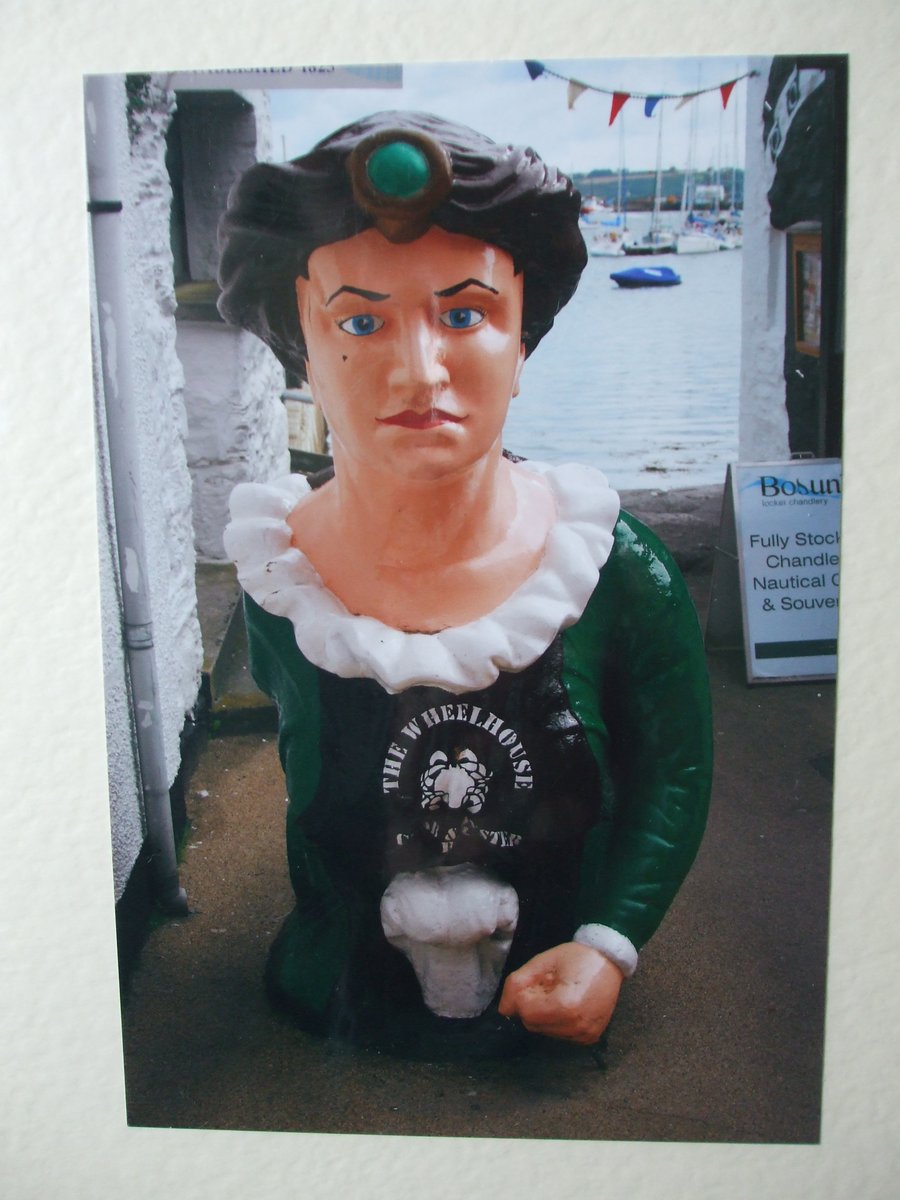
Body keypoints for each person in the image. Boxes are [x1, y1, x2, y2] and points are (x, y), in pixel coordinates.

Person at [219, 111, 712, 1059]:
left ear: (522, 338)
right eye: (360, 322)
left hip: (550, 971)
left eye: (464, 314)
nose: (418, 371)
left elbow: (675, 772)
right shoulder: (282, 581)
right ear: (303, 350)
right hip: (336, 984)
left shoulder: (611, 569)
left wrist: (609, 943)